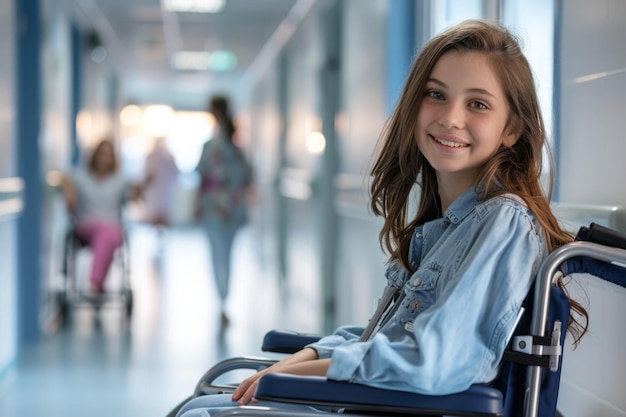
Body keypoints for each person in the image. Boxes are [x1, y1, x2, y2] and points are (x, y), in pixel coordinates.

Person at [175, 19, 588, 417]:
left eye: (477, 104)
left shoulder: (503, 224)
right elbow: (388, 339)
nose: (450, 118)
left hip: (396, 405)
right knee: (202, 405)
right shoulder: (448, 227)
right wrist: (309, 355)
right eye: (436, 94)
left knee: (201, 412)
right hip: (373, 401)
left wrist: (291, 373)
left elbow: (433, 361)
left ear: (512, 128)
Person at [195, 95, 253, 327]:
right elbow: (248, 176)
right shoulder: (237, 148)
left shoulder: (211, 147)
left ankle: (222, 300)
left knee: (217, 255)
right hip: (233, 209)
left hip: (214, 209)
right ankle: (223, 300)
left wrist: (197, 206)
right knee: (227, 256)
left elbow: (201, 175)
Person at [61, 138, 139, 295]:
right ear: (95, 155)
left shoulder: (119, 180)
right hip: (85, 226)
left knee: (109, 233)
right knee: (106, 231)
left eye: (108, 155)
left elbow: (134, 194)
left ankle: (96, 283)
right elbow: (63, 176)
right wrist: (69, 189)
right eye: (102, 154)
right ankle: (96, 282)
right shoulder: (81, 176)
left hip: (112, 230)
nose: (104, 158)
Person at [143, 136, 179, 230]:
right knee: (156, 214)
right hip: (157, 191)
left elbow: (175, 173)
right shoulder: (151, 156)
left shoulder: (168, 157)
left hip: (164, 190)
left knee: (162, 214)